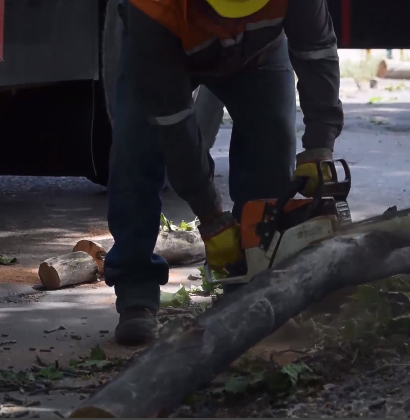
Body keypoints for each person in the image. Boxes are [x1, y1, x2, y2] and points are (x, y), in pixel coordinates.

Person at [106, 0, 344, 345]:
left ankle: (250, 283)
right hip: (168, 47)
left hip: (259, 55)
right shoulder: (152, 9)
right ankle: (135, 292)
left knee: (271, 143)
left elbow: (317, 53)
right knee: (136, 149)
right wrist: (211, 215)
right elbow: (173, 123)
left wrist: (320, 144)